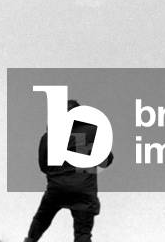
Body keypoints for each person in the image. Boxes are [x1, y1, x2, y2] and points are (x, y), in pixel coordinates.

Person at [23, 99, 114, 242]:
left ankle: (30, 240)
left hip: (57, 188)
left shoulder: (48, 137)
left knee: (42, 218)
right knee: (83, 232)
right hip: (84, 189)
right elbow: (107, 160)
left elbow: (43, 166)